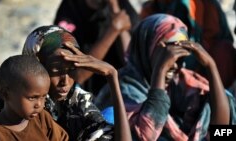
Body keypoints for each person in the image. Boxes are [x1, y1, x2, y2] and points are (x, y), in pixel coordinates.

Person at [95, 14, 236, 141]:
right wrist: (160, 70)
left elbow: (222, 130)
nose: (174, 65)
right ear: (147, 49)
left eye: (180, 57)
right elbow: (146, 135)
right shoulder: (124, 90)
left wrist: (211, 66)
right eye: (167, 55)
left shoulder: (183, 82)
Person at [22, 25, 131, 141]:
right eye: (56, 71)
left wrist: (112, 76)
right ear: (35, 68)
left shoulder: (76, 102)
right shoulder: (20, 105)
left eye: (71, 70)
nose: (65, 81)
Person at [140, 0, 236, 89]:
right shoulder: (152, 8)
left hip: (205, 67)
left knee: (223, 51)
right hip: (160, 69)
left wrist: (209, 65)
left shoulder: (208, 6)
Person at [54, 0, 140, 94]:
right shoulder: (70, 8)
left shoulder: (121, 5)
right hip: (87, 94)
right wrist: (113, 30)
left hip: (119, 91)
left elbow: (132, 61)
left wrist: (115, 10)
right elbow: (78, 76)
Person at [0, 55, 69, 141]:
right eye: (32, 98)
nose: (39, 104)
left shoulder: (42, 119)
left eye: (44, 96)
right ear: (6, 94)